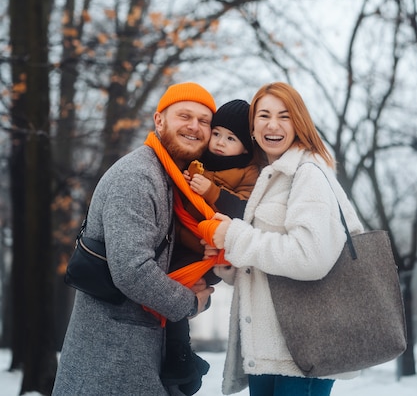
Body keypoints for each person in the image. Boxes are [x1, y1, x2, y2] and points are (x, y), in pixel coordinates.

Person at [52, 82, 217, 396]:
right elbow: (132, 271)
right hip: (111, 362)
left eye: (204, 121)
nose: (194, 126)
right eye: (184, 115)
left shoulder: (176, 182)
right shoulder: (138, 176)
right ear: (159, 121)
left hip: (140, 358)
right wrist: (189, 304)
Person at [209, 82, 364, 396]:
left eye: (284, 116)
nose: (273, 125)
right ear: (252, 127)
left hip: (304, 349)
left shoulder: (308, 172)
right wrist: (229, 258)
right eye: (263, 115)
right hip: (271, 350)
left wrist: (237, 237)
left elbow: (311, 257)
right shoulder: (271, 176)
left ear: (299, 124)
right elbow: (270, 260)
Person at [163, 100, 259, 393]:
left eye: (231, 139)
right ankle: (177, 354)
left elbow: (245, 210)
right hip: (183, 241)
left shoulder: (247, 172)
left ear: (244, 147)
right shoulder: (200, 159)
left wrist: (213, 191)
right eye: (216, 133)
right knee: (167, 293)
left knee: (176, 295)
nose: (219, 142)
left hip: (211, 253)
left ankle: (180, 355)